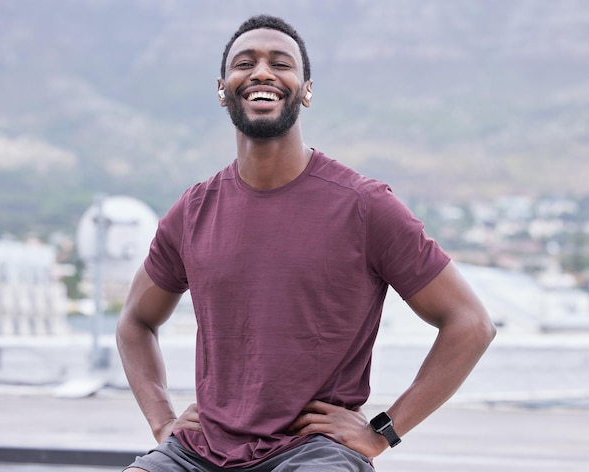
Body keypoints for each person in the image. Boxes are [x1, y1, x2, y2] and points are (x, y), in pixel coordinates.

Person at [116, 14, 497, 472]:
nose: (261, 72)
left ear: (306, 89)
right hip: (201, 452)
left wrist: (384, 430)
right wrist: (163, 424)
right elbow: (135, 321)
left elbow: (471, 323)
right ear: (223, 89)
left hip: (313, 453)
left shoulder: (364, 206)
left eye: (281, 63)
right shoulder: (194, 210)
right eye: (245, 63)